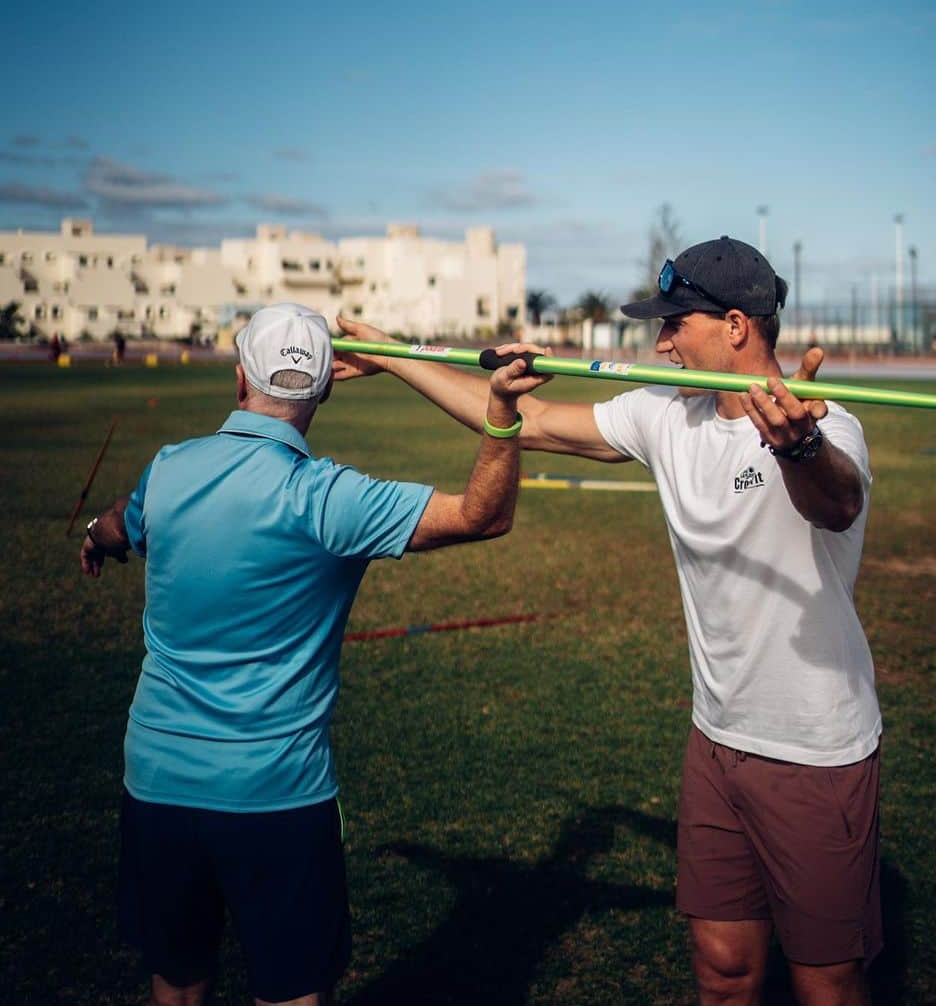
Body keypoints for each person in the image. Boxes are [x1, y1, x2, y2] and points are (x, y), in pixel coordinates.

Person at [335, 238, 881, 1006]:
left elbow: (838, 501)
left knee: (827, 985)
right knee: (724, 972)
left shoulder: (832, 428)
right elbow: (524, 420)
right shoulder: (666, 416)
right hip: (717, 742)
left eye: (674, 326)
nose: (659, 344)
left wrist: (801, 448)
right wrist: (391, 356)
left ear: (733, 326)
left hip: (815, 751)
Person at [79, 301, 547, 1006]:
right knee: (293, 993)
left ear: (240, 379)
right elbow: (484, 515)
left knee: (176, 987)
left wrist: (96, 533)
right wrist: (502, 411)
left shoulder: (169, 469)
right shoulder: (328, 498)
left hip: (159, 781)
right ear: (327, 388)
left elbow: (121, 524)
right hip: (275, 794)